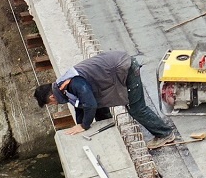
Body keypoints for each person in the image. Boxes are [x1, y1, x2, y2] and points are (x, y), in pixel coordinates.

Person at [33, 50, 175, 140]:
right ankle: (109, 124)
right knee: (96, 108)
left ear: (51, 97)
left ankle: (165, 134)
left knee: (136, 108)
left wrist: (84, 126)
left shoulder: (73, 84)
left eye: (51, 103)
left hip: (126, 68)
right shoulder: (63, 87)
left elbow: (90, 104)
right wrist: (80, 126)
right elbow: (80, 105)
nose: (54, 104)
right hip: (115, 68)